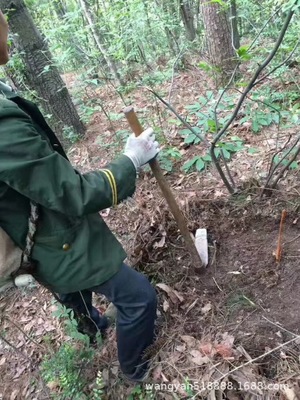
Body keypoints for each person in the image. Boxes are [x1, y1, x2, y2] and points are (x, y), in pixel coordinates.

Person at [0, 10, 159, 382]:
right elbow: (72, 194)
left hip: (29, 231)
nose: (7, 39)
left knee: (71, 291)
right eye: (3, 32)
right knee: (139, 298)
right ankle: (135, 373)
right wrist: (130, 161)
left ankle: (93, 329)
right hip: (52, 238)